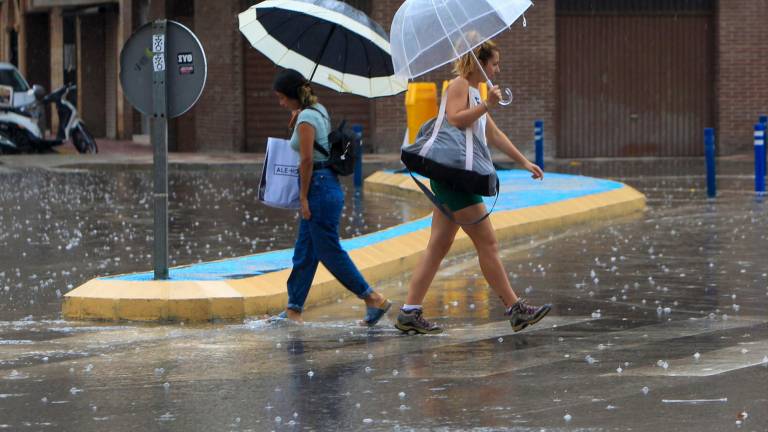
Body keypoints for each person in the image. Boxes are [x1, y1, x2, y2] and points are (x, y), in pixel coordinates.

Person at [395, 41, 552, 335]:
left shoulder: (475, 92)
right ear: (479, 63)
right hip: (455, 179)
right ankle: (515, 309)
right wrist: (486, 105)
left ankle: (409, 312)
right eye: (494, 64)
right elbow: (455, 119)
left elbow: (492, 133)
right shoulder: (459, 85)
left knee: (438, 247)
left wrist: (524, 162)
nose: (497, 69)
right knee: (488, 243)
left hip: (456, 177)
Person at [269, 68, 390, 325]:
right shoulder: (317, 110)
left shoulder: (305, 120)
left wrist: (302, 198)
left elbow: (307, 160)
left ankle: (373, 298)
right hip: (328, 185)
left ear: (292, 96)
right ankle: (293, 309)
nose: (279, 103)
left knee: (329, 251)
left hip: (318, 189)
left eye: (281, 98)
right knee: (305, 252)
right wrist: (297, 118)